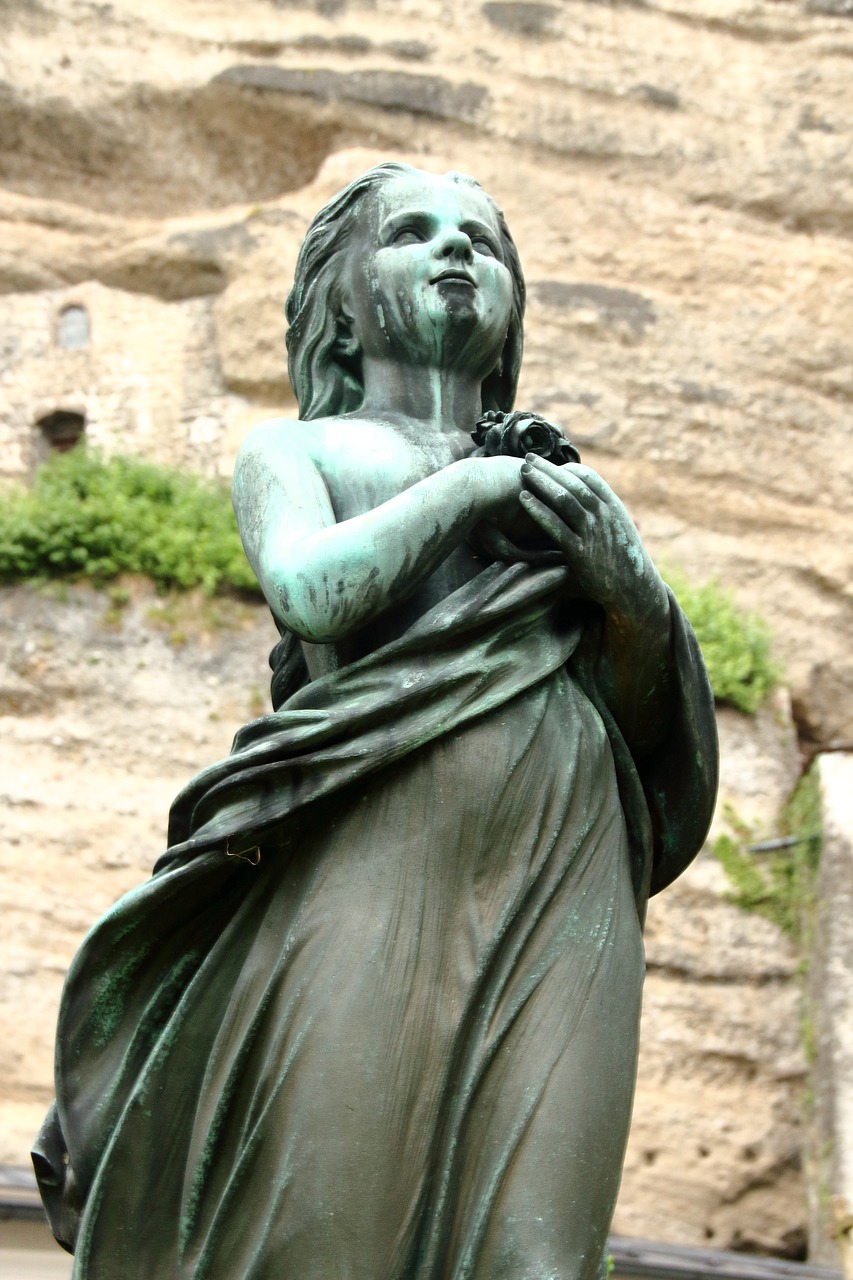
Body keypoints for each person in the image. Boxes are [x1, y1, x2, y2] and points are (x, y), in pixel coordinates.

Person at [34, 163, 718, 1279]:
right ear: (341, 304)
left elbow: (652, 738)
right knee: (326, 1227)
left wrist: (631, 589)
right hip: (371, 851)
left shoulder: (563, 497)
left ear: (508, 310)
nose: (455, 251)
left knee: (540, 1256)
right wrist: (471, 488)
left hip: (566, 862)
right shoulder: (299, 453)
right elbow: (310, 591)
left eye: (481, 242)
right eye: (413, 234)